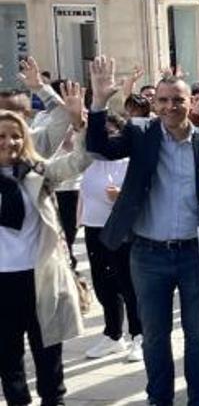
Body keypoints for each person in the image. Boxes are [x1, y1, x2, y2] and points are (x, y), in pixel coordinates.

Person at [86, 57, 199, 406]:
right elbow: (100, 148)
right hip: (147, 254)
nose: (170, 106)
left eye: (177, 99)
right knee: (155, 337)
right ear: (155, 103)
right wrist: (99, 102)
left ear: (190, 102)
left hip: (194, 252)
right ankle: (158, 399)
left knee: (198, 337)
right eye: (162, 100)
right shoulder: (140, 132)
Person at [0, 84, 89, 406]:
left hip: (40, 279)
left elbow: (80, 160)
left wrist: (79, 123)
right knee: (8, 363)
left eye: (16, 135)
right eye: (1, 136)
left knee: (50, 362)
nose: (10, 142)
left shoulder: (38, 173)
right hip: (2, 283)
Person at [79, 112, 143, 362]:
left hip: (119, 229)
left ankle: (139, 335)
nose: (106, 137)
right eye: (102, 132)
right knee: (103, 285)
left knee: (127, 284)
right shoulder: (90, 160)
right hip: (93, 227)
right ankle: (113, 334)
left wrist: (123, 196)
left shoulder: (128, 161)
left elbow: (142, 193)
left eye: (112, 131)